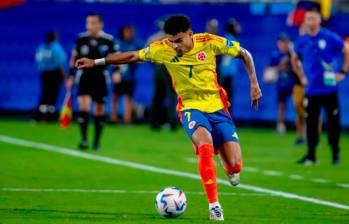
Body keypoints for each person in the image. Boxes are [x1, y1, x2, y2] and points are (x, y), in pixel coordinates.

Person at [76, 15, 262, 221]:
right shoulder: (162, 48)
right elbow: (131, 56)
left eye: (179, 40)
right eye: (171, 41)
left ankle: (227, 163)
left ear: (190, 35)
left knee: (235, 167)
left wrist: (254, 84)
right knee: (205, 146)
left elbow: (244, 53)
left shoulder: (209, 42)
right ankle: (214, 206)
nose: (174, 46)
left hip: (218, 108)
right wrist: (95, 62)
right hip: (190, 108)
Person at [291, 9, 349, 165]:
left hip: (330, 88)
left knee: (333, 123)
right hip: (311, 90)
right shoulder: (302, 40)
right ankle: (311, 155)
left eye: (313, 18)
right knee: (311, 123)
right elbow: (294, 58)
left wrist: (343, 72)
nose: (311, 21)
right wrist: (302, 76)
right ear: (305, 21)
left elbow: (346, 49)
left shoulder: (329, 37)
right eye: (308, 18)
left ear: (319, 20)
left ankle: (335, 153)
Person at [66, 13, 118, 150]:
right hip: (84, 76)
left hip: (101, 77)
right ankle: (83, 139)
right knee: (83, 107)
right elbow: (74, 57)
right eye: (88, 23)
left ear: (100, 24)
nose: (90, 26)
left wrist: (117, 72)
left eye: (93, 23)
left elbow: (117, 58)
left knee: (99, 110)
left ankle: (96, 142)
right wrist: (70, 75)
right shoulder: (81, 39)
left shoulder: (108, 40)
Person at [265, 33, 305, 144]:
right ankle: (281, 126)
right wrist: (278, 69)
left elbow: (298, 65)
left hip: (293, 84)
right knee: (281, 107)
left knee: (297, 107)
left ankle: (301, 131)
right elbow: (269, 71)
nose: (283, 44)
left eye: (285, 42)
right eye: (282, 42)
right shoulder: (275, 55)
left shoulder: (292, 54)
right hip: (281, 84)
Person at [110, 25, 142, 124]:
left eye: (130, 31)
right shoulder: (117, 43)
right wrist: (115, 72)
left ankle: (127, 118)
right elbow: (112, 57)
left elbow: (143, 56)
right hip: (119, 75)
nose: (129, 34)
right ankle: (113, 118)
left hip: (130, 76)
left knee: (128, 97)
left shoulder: (136, 43)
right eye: (127, 31)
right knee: (115, 95)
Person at [34, 31, 66, 121]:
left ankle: (39, 116)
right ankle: (50, 116)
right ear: (55, 37)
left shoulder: (41, 47)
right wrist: (64, 77)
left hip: (44, 73)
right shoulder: (56, 47)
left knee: (44, 94)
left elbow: (38, 60)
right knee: (53, 95)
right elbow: (61, 63)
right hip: (54, 73)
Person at [220, 18, 241, 111]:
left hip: (227, 75)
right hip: (225, 75)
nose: (239, 28)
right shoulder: (229, 40)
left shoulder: (229, 38)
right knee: (225, 99)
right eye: (236, 26)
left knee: (227, 99)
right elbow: (225, 59)